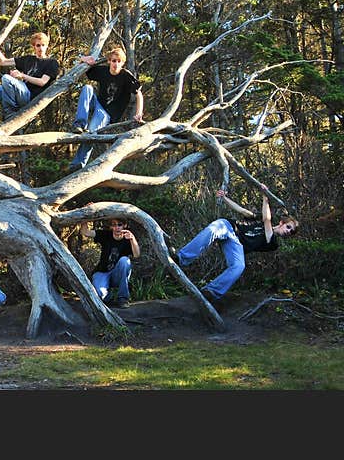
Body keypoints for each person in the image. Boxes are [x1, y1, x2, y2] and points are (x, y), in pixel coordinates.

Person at [170, 189, 299, 302]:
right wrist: (224, 198)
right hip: (229, 228)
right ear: (282, 222)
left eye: (291, 231)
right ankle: (181, 259)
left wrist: (265, 198)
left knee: (239, 266)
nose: (288, 231)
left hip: (236, 245)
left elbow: (267, 221)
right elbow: (241, 210)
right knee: (212, 230)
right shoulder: (259, 218)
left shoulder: (273, 243)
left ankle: (211, 292)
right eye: (288, 227)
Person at [69, 45, 144, 170]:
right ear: (109, 61)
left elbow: (139, 94)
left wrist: (139, 113)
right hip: (97, 103)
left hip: (107, 113)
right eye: (113, 61)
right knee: (87, 88)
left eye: (119, 61)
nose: (116, 64)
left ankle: (78, 165)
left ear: (122, 63)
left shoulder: (126, 76)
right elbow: (82, 66)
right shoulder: (103, 71)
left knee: (91, 133)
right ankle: (80, 124)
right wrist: (84, 59)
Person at [0, 31, 60, 128]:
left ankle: (10, 113)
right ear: (34, 47)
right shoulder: (28, 59)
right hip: (19, 91)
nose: (41, 48)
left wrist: (22, 76)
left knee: (6, 78)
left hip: (30, 96)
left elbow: (42, 82)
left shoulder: (52, 63)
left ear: (47, 46)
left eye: (43, 45)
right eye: (38, 45)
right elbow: (3, 62)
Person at [79, 217, 140, 308]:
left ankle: (123, 298)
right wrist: (87, 216)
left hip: (117, 275)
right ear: (111, 227)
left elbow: (136, 254)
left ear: (124, 226)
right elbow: (85, 232)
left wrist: (132, 239)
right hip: (102, 272)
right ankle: (108, 297)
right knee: (99, 294)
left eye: (119, 225)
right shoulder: (105, 235)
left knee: (125, 260)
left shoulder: (128, 239)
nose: (117, 228)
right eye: (114, 225)